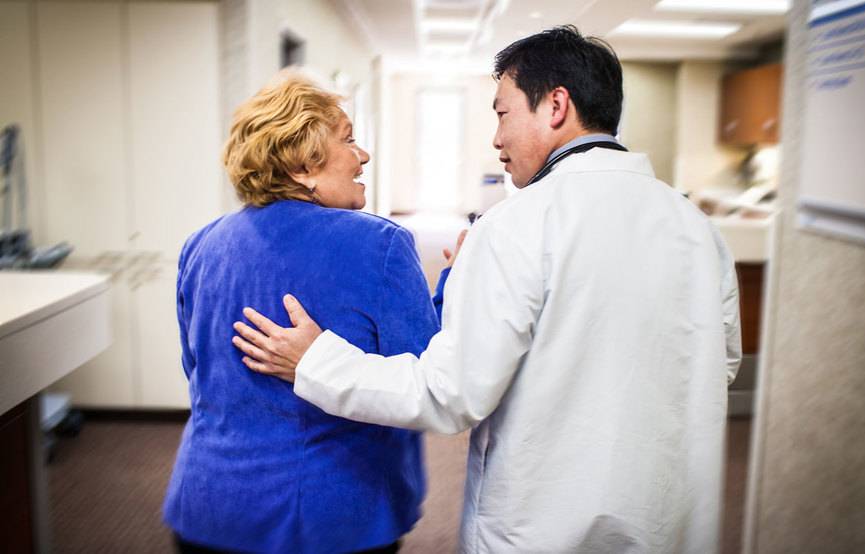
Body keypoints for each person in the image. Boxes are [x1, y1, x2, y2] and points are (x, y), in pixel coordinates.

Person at [233, 27, 742, 553]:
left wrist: (316, 361)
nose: (496, 139)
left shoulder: (514, 226)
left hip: (545, 529)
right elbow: (717, 362)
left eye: (502, 114)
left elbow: (449, 395)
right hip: (666, 521)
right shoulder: (697, 228)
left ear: (556, 106)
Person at [163, 70, 451, 553]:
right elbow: (424, 383)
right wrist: (453, 286)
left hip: (207, 505)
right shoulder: (379, 245)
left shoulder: (200, 245)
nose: (364, 155)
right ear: (302, 166)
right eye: (349, 139)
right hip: (326, 518)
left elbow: (198, 370)